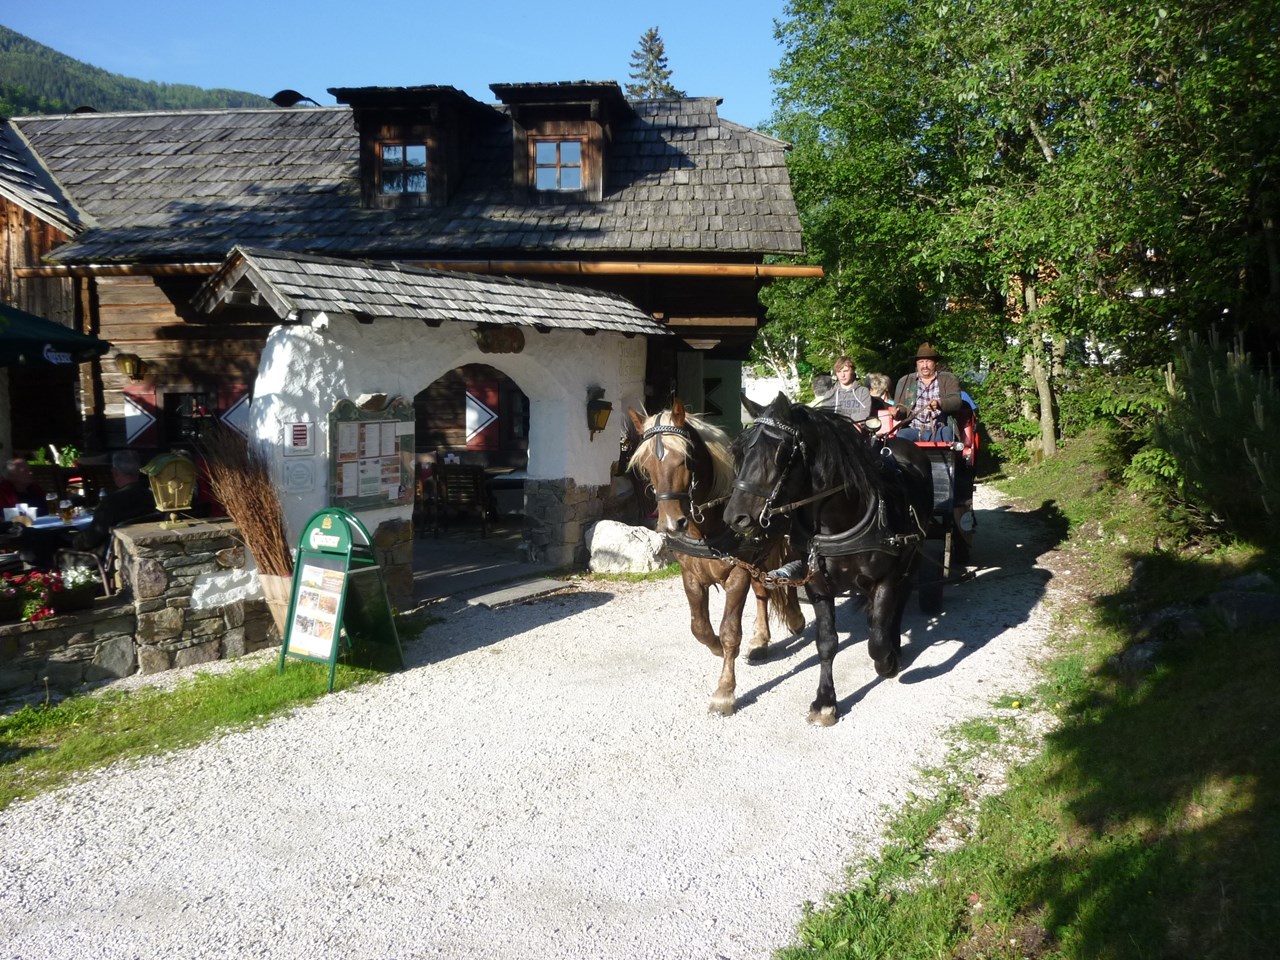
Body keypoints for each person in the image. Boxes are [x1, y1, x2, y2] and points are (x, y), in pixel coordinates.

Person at [70, 449, 158, 556]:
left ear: (115, 472)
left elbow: (91, 538)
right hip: (143, 550)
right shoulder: (152, 496)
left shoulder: (111, 502)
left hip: (106, 556)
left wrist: (74, 540)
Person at [892, 342, 964, 442]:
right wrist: (896, 413)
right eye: (921, 361)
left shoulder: (948, 379)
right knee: (900, 437)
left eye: (928, 361)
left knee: (947, 434)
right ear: (916, 364)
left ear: (935, 363)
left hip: (940, 428)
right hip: (913, 429)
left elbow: (956, 402)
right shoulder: (905, 381)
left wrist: (939, 403)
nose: (925, 365)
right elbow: (901, 410)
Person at [813, 356, 872, 423]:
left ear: (852, 371)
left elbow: (864, 415)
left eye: (845, 371)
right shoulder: (830, 393)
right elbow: (826, 416)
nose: (842, 375)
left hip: (858, 429)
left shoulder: (862, 391)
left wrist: (840, 418)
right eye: (839, 372)